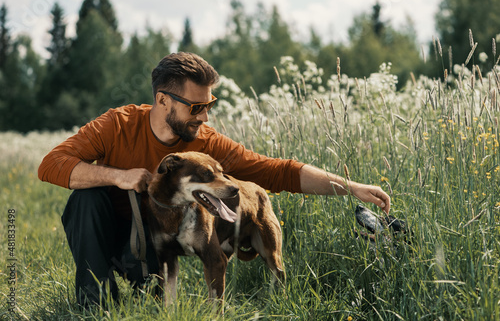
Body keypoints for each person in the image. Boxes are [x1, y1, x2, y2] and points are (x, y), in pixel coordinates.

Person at [38, 52, 390, 307]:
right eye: (196, 107)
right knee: (85, 199)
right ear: (163, 100)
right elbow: (51, 164)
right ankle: (92, 305)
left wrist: (351, 188)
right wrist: (117, 176)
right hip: (106, 231)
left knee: (153, 298)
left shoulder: (204, 143)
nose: (205, 115)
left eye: (210, 104)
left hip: (153, 244)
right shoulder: (117, 125)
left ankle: (144, 291)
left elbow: (275, 170)